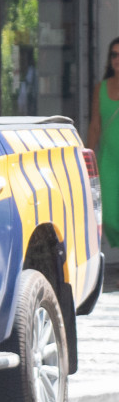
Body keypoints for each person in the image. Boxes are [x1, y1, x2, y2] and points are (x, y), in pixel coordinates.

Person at [90, 36, 119, 257]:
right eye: (114, 55)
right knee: (109, 215)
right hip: (108, 160)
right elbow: (95, 125)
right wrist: (86, 157)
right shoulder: (100, 88)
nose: (117, 59)